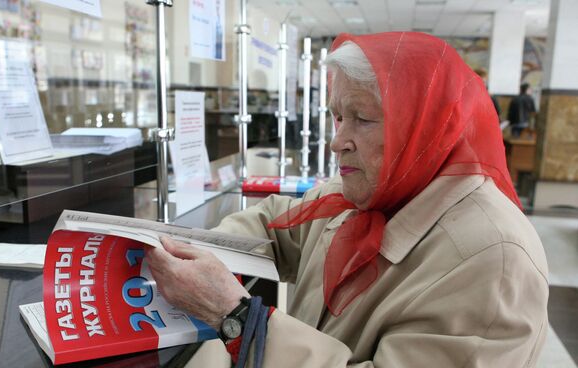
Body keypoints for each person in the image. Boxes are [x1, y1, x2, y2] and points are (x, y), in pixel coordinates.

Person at [146, 32, 549, 367]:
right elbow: (273, 222)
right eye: (338, 116)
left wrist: (235, 316)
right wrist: (191, 253)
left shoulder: (493, 260)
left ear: (426, 127)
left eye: (364, 119)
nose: (338, 141)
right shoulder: (367, 192)